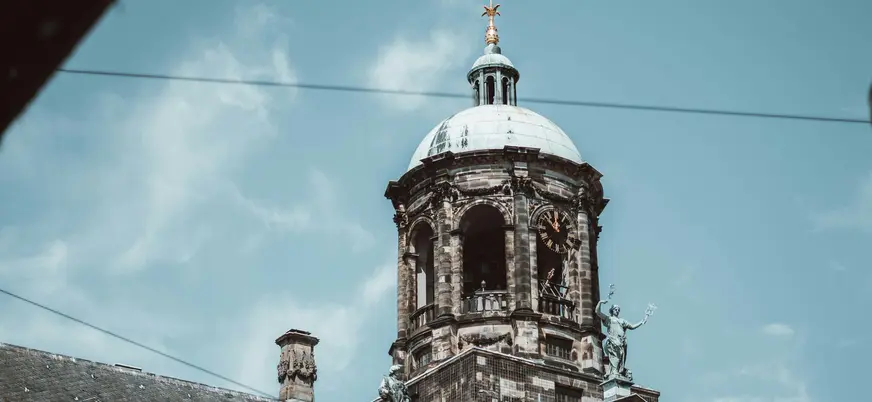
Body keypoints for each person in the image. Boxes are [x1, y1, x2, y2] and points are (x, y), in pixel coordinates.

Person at [596, 299, 647, 379]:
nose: (617, 311)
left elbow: (632, 326)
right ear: (612, 310)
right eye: (615, 309)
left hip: (621, 341)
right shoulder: (609, 319)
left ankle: (617, 372)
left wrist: (641, 322)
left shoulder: (622, 320)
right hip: (613, 340)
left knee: (620, 358)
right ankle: (614, 372)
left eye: (618, 310)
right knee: (614, 357)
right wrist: (600, 302)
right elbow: (597, 312)